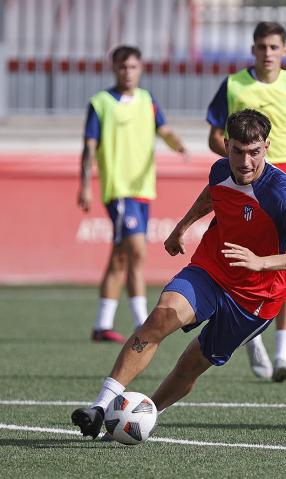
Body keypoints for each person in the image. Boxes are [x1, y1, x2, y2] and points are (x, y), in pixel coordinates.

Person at [71, 109, 286, 439]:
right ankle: (100, 407)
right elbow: (212, 194)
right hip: (212, 270)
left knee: (192, 364)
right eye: (237, 150)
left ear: (267, 146)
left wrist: (261, 262)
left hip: (255, 299)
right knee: (161, 316)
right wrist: (182, 227)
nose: (245, 162)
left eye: (254, 152)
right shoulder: (221, 169)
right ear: (226, 145)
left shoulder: (282, 193)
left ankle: (145, 415)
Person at [206, 21, 286, 382]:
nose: (267, 53)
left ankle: (282, 355)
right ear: (253, 49)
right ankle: (249, 336)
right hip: (241, 187)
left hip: (284, 182)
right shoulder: (233, 85)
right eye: (261, 46)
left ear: (284, 51)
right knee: (238, 261)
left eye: (274, 47)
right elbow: (215, 134)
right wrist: (235, 159)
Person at [78, 45, 188, 344]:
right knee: (137, 251)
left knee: (121, 257)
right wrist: (85, 184)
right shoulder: (101, 103)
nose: (128, 72)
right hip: (119, 190)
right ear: (113, 68)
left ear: (141, 69)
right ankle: (143, 321)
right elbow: (89, 147)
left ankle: (102, 324)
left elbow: (162, 129)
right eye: (123, 67)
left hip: (142, 190)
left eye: (133, 67)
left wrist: (175, 142)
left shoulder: (147, 100)